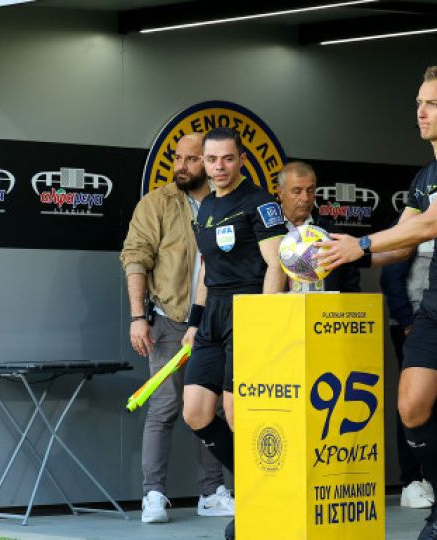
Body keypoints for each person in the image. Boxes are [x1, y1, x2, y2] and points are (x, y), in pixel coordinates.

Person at [319, 65, 437, 540]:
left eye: (433, 104)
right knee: (410, 406)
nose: (422, 113)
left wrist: (361, 244)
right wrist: (338, 255)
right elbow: (404, 243)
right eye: (419, 104)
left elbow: (431, 225)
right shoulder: (426, 175)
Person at [120, 132, 233, 523]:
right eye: (177, 158)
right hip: (170, 319)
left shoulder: (228, 202)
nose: (181, 166)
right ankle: (153, 494)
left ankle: (212, 493)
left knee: (213, 408)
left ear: (210, 160)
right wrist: (138, 317)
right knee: (165, 406)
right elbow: (135, 257)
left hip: (217, 322)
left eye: (191, 159)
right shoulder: (157, 203)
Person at [180, 127, 287, 539]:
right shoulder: (206, 206)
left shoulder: (260, 202)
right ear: (203, 162)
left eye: (227, 158)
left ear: (242, 159)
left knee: (237, 413)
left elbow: (276, 264)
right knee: (196, 412)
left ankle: (258, 504)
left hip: (250, 310)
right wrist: (194, 322)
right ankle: (263, 487)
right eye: (211, 160)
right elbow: (206, 269)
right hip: (212, 317)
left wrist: (263, 320)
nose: (219, 167)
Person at [380, 239, 437, 509]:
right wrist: (407, 322)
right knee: (413, 401)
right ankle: (411, 482)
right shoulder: (410, 222)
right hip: (414, 324)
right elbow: (390, 277)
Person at [277, 160, 361, 292]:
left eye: (310, 191)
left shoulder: (332, 233)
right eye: (297, 191)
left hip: (325, 305)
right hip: (279, 305)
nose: (305, 198)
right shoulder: (266, 231)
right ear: (280, 192)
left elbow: (349, 283)